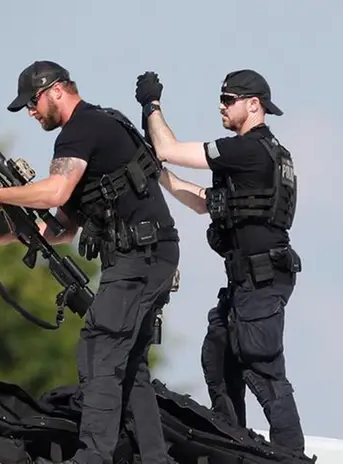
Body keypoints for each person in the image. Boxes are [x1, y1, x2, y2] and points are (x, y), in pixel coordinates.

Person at [0, 60, 180, 464]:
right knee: (128, 360)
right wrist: (14, 232)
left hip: (141, 254)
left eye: (32, 102)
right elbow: (65, 226)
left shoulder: (80, 130)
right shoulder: (96, 130)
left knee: (99, 347)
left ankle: (93, 457)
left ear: (56, 91)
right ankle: (155, 458)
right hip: (145, 254)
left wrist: (0, 194)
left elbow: (53, 191)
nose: (31, 112)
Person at [133, 69, 307, 455]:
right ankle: (235, 447)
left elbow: (168, 147)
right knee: (219, 357)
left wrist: (151, 106)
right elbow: (202, 201)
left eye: (229, 100)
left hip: (261, 280)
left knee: (261, 369)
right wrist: (158, 173)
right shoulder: (257, 156)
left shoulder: (247, 150)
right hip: (249, 282)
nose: (221, 107)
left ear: (253, 105)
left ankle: (292, 456)